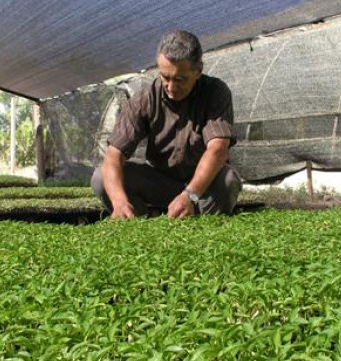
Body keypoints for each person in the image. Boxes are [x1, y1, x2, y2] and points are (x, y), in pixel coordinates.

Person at [92, 30, 242, 219]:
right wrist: (119, 201)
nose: (171, 88)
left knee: (227, 180)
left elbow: (218, 150)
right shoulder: (145, 98)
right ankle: (137, 219)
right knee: (100, 178)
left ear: (198, 70)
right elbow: (114, 156)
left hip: (203, 184)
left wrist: (190, 195)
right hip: (159, 180)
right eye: (165, 77)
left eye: (180, 79)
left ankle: (200, 221)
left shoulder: (215, 92)